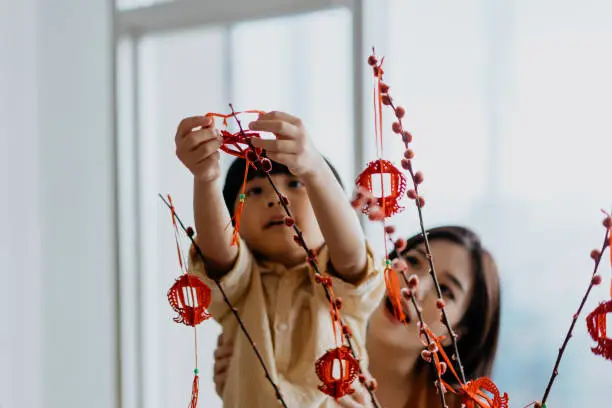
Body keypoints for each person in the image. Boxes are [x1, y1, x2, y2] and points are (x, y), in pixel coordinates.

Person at [175, 111, 385, 408]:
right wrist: (206, 178)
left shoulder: (338, 285)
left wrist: (314, 169)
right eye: (255, 190)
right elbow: (219, 251)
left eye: (296, 184)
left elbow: (352, 256)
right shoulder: (241, 284)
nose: (274, 198)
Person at [213, 226, 501, 408]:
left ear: (457, 332)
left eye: (446, 290)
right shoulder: (296, 336)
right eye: (413, 261)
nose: (414, 286)